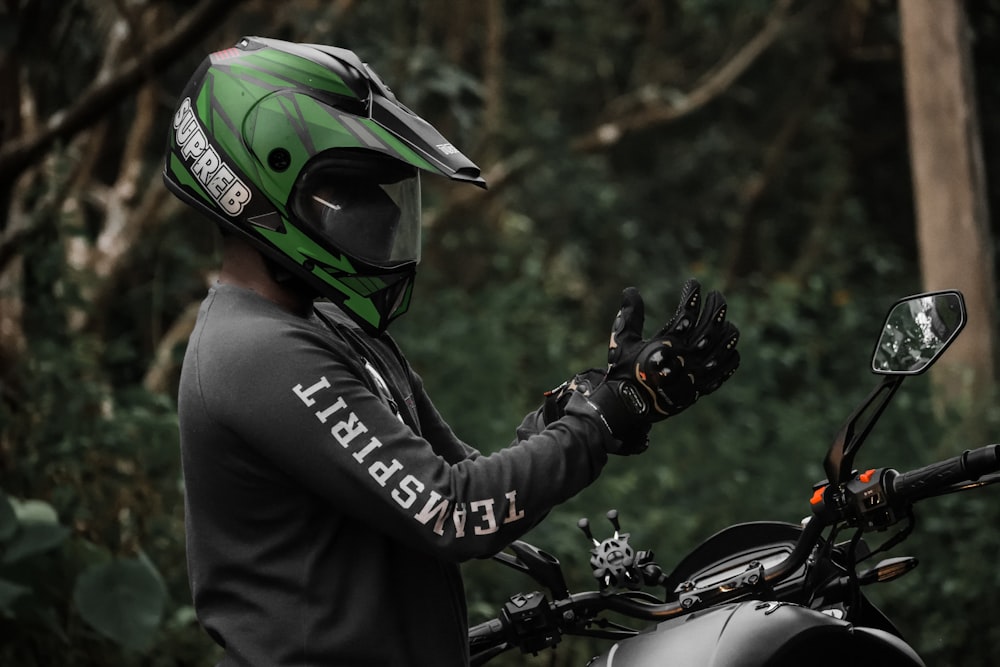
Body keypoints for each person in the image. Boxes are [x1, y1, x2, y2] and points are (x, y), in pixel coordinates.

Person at [164, 36, 740, 666]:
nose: (380, 216)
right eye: (350, 193)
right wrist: (601, 419)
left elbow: (468, 482)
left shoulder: (330, 326)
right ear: (261, 186)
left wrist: (591, 401)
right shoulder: (256, 352)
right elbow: (451, 512)